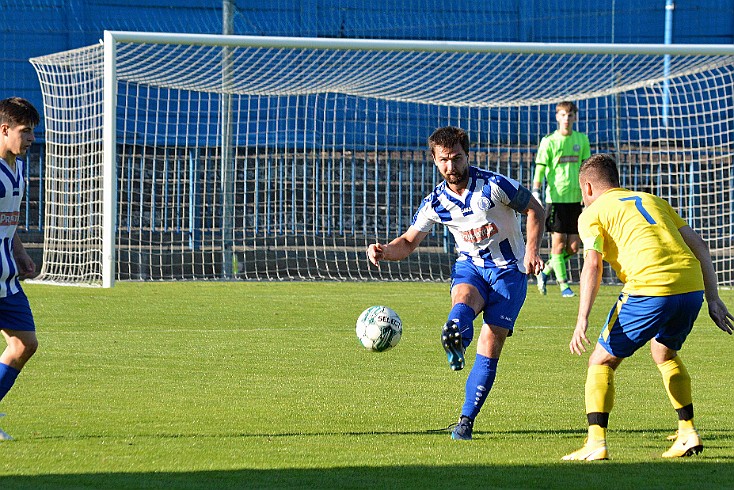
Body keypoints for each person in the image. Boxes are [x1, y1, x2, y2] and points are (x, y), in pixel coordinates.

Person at [367, 126, 545, 440]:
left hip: (509, 272)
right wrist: (384, 250)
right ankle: (456, 339)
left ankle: (465, 420)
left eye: (457, 158)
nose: (452, 166)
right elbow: (408, 242)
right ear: (435, 161)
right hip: (471, 268)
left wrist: (532, 251)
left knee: (490, 344)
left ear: (467, 156)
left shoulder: (494, 185)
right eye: (444, 160)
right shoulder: (436, 201)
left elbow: (536, 209)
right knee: (462, 301)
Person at [562, 154, 733, 461]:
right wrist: (713, 297)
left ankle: (595, 443)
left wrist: (581, 318)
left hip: (650, 288)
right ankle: (687, 432)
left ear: (587, 188)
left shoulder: (592, 212)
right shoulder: (652, 200)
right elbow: (701, 245)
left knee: (600, 362)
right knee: (663, 352)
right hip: (691, 287)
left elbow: (592, 264)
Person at [0, 97, 41, 441]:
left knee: (25, 344)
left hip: (7, 279)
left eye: (32, 133)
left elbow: (7, 224)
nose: (30, 139)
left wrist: (21, 253)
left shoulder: (18, 168)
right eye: (25, 132)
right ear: (4, 130)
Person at [532, 101, 590, 298]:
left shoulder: (582, 140)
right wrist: (536, 191)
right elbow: (540, 167)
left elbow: (586, 168)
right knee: (557, 244)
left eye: (570, 115)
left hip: (575, 199)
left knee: (573, 248)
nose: (566, 118)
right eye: (563, 115)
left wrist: (587, 193)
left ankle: (547, 271)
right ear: (557, 117)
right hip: (555, 199)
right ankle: (564, 284)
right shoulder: (549, 141)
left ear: (575, 117)